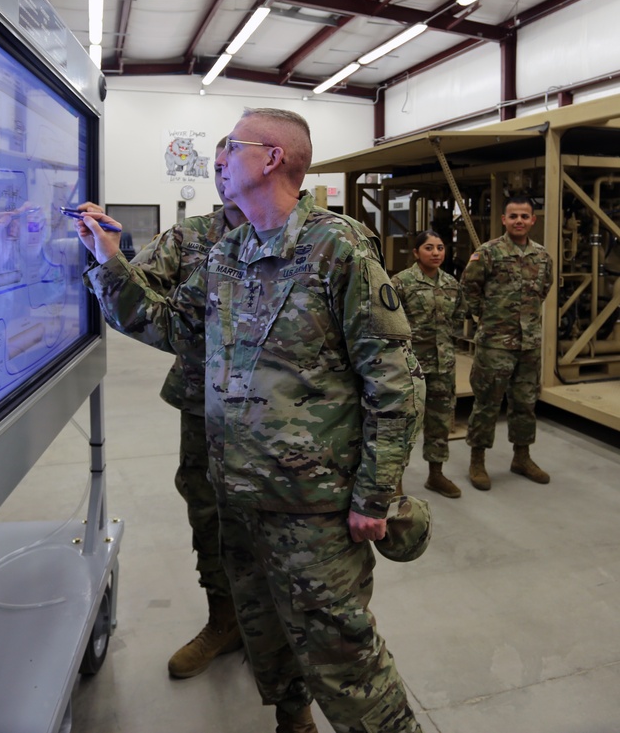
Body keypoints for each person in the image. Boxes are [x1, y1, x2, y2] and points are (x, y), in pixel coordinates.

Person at [76, 107, 425, 733]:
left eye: (232, 146)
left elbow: (395, 383)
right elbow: (169, 326)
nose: (220, 160)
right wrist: (107, 261)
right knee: (264, 631)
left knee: (344, 658)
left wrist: (375, 494)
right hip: (238, 496)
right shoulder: (227, 254)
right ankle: (293, 721)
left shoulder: (337, 249)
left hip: (312, 508)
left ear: (270, 159)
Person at [83, 139, 252, 679]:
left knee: (281, 524)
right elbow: (140, 288)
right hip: (206, 405)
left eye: (234, 167)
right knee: (207, 509)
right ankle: (224, 620)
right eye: (218, 169)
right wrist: (110, 252)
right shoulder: (192, 236)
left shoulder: (319, 237)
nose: (225, 179)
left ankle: (275, 632)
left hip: (290, 416)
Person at [461, 195, 554, 490]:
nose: (519, 221)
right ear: (504, 219)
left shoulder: (542, 257)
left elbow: (545, 289)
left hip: (529, 345)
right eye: (513, 216)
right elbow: (469, 288)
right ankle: (477, 461)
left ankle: (522, 457)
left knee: (525, 403)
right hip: (495, 344)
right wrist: (485, 318)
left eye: (524, 216)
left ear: (532, 220)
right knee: (487, 404)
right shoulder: (488, 253)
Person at [391, 230, 466, 498]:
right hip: (411, 368)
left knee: (440, 422)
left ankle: (436, 474)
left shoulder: (451, 283)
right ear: (415, 252)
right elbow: (389, 323)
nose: (436, 253)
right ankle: (395, 481)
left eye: (440, 247)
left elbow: (458, 319)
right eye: (429, 248)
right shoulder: (401, 283)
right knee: (404, 424)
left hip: (443, 366)